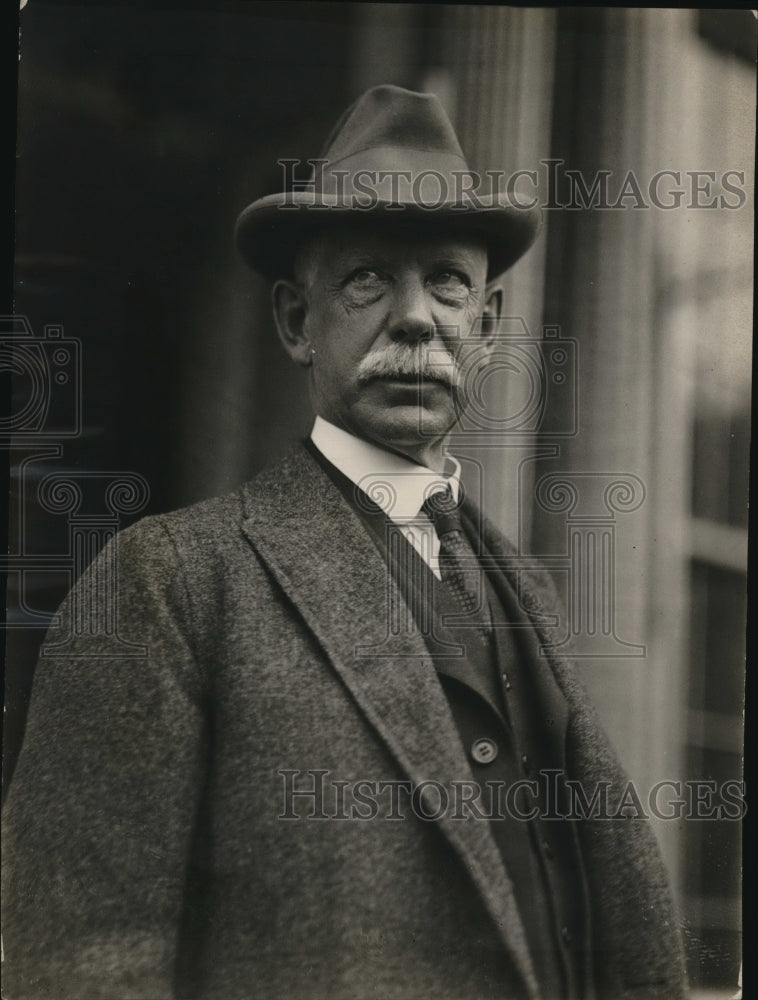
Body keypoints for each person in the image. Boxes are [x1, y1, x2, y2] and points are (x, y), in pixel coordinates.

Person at [3, 85, 686, 1000]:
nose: (414, 316)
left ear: (484, 330)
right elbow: (84, 964)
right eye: (366, 278)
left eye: (448, 281)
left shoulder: (522, 585)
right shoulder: (164, 584)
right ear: (297, 322)